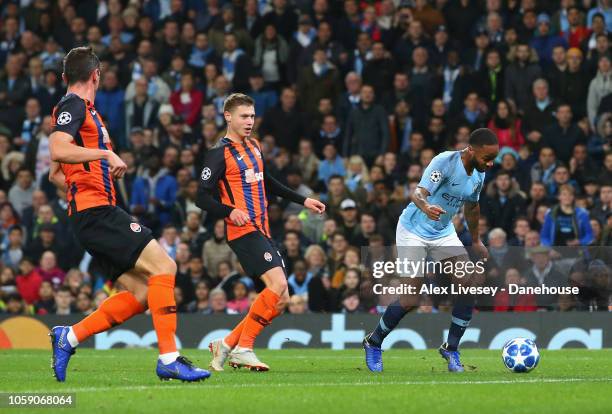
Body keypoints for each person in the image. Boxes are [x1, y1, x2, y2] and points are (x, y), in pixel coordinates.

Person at [47, 47, 209, 382]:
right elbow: (58, 149)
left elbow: (55, 174)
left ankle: (70, 336)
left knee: (140, 294)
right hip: (97, 212)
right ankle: (169, 358)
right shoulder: (74, 105)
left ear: (65, 76)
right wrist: (105, 155)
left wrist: (81, 189)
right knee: (165, 266)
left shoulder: (83, 111)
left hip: (90, 214)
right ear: (96, 74)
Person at [197, 93, 325, 371]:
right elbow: (201, 197)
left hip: (262, 230)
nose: (249, 121)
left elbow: (267, 182)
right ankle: (244, 348)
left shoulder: (254, 146)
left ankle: (227, 344)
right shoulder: (218, 153)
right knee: (277, 286)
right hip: (242, 231)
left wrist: (303, 200)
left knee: (281, 301)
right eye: (244, 116)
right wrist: (229, 211)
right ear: (228, 116)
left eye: (252, 116)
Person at [362, 128, 499, 372]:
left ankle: (451, 349)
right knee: (410, 299)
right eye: (486, 158)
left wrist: (476, 240)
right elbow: (418, 193)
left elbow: (472, 207)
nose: (490, 164)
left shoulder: (479, 173)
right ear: (471, 150)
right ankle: (374, 343)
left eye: (493, 158)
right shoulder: (444, 162)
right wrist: (426, 207)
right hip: (413, 230)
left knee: (471, 281)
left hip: (443, 233)